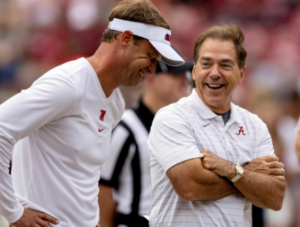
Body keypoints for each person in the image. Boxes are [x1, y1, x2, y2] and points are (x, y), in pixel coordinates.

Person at [0, 0, 185, 226]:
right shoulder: (68, 85)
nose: (153, 69)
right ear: (126, 39)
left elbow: (84, 172)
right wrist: (14, 211)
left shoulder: (115, 102)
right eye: (150, 56)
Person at [148, 24, 286, 226]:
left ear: (241, 74)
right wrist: (248, 174)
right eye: (206, 64)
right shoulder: (171, 117)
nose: (214, 73)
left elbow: (274, 197)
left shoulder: (255, 125)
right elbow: (191, 187)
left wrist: (230, 169)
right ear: (194, 72)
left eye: (225, 65)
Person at [98, 59, 193, 227]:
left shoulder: (184, 128)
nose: (185, 80)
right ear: (151, 80)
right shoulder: (126, 128)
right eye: (175, 75)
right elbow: (103, 189)